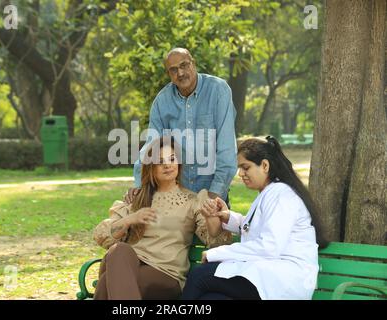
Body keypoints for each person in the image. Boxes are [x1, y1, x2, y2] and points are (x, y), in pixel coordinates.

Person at [181, 136, 329, 300]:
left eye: (246, 167)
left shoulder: (281, 195)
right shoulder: (270, 192)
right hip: (268, 273)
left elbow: (269, 247)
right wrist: (228, 217)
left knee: (200, 276)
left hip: (285, 279)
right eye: (239, 168)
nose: (240, 174)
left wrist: (217, 253)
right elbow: (258, 226)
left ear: (265, 165)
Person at [92, 137, 232, 300]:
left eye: (172, 159)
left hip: (166, 275)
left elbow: (217, 242)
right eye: (160, 161)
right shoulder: (137, 199)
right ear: (150, 168)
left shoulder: (193, 201)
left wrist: (212, 218)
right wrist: (130, 219)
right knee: (119, 250)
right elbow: (101, 236)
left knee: (105, 282)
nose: (167, 165)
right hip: (129, 266)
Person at [126, 48, 237, 207]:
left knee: (211, 231)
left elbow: (226, 149)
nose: (180, 73)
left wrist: (215, 195)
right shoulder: (162, 102)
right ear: (169, 74)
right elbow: (151, 146)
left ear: (194, 64)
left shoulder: (219, 90)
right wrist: (139, 184)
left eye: (184, 65)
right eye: (173, 70)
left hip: (211, 192)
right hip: (176, 196)